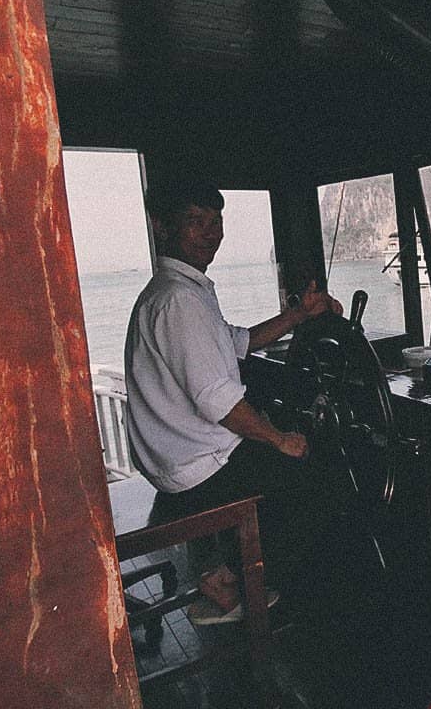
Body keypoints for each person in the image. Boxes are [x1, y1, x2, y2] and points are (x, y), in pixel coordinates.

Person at [123, 180, 341, 621]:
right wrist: (279, 439)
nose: (210, 233)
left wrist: (299, 313)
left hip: (175, 458)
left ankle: (225, 570)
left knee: (284, 463)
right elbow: (217, 400)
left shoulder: (179, 291)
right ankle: (232, 585)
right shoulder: (179, 300)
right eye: (195, 221)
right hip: (195, 466)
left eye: (216, 221)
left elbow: (239, 341)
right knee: (318, 481)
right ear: (162, 227)